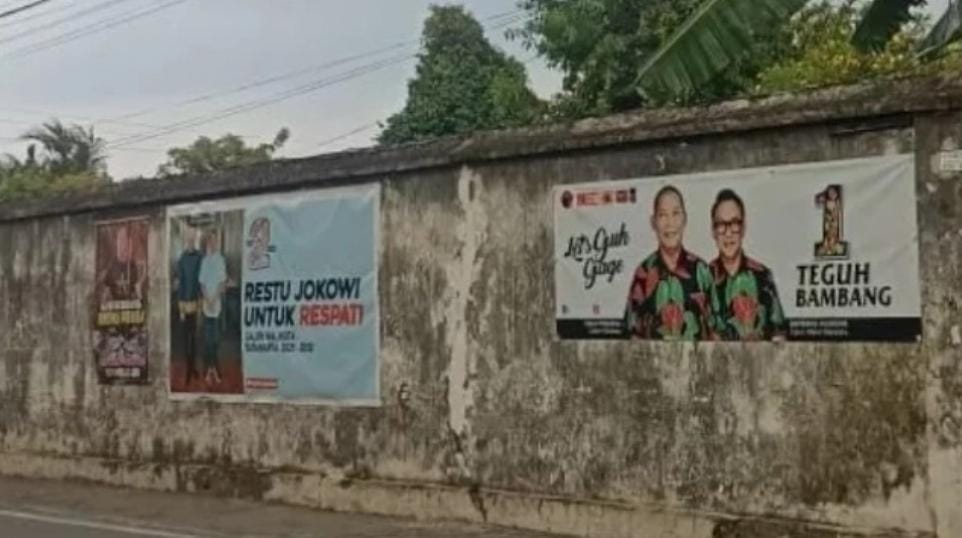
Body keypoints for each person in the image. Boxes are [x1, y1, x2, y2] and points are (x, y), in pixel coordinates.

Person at [625, 185, 719, 340]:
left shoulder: (701, 270)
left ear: (684, 219)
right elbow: (632, 335)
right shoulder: (644, 273)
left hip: (695, 363)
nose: (670, 223)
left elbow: (715, 332)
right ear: (653, 222)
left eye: (675, 214)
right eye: (663, 215)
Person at [708, 189, 787, 341]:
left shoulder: (763, 277)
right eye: (721, 225)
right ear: (713, 231)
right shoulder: (703, 279)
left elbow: (779, 336)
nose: (728, 233)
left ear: (743, 228)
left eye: (734, 224)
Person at [174, 224, 203, 385]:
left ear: (195, 239)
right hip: (185, 303)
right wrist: (181, 309)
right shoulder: (181, 259)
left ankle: (193, 368)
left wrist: (200, 303)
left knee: (195, 338)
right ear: (186, 240)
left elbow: (201, 281)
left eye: (193, 238)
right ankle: (188, 369)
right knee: (186, 339)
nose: (191, 241)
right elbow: (180, 283)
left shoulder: (200, 257)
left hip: (196, 302)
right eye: (188, 238)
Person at [199, 229, 228, 386]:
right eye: (211, 241)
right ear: (208, 243)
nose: (213, 243)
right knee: (207, 340)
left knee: (215, 341)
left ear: (217, 243)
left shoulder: (221, 260)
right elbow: (202, 283)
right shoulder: (204, 261)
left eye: (215, 241)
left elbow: (222, 284)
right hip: (206, 307)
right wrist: (207, 299)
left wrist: (213, 299)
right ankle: (209, 370)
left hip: (216, 308)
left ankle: (214, 369)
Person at [98, 223, 146, 304]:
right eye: (119, 241)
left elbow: (141, 300)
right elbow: (103, 299)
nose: (121, 246)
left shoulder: (139, 269)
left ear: (130, 244)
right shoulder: (110, 268)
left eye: (124, 241)